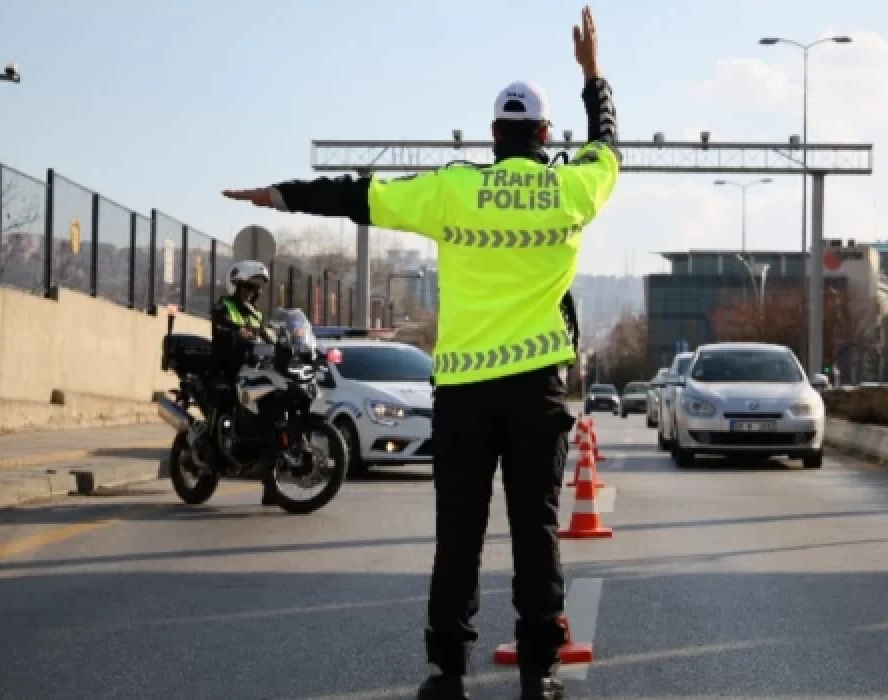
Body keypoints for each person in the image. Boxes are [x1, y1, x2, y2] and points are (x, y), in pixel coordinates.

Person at [222, 7, 617, 697]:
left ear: (494, 135)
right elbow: (608, 146)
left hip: (464, 395)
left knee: (457, 538)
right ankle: (539, 674)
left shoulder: (452, 187)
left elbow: (358, 197)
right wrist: (594, 75)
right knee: (537, 533)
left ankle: (445, 674)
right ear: (546, 135)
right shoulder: (572, 187)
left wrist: (280, 194)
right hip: (537, 393)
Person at [209, 260, 280, 506]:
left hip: (252, 372)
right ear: (235, 287)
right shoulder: (224, 306)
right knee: (223, 405)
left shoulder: (256, 313)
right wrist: (237, 331)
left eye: (255, 289)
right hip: (226, 369)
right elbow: (223, 325)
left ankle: (271, 485)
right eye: (247, 288)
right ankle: (212, 450)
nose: (251, 293)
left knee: (270, 421)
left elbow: (266, 335)